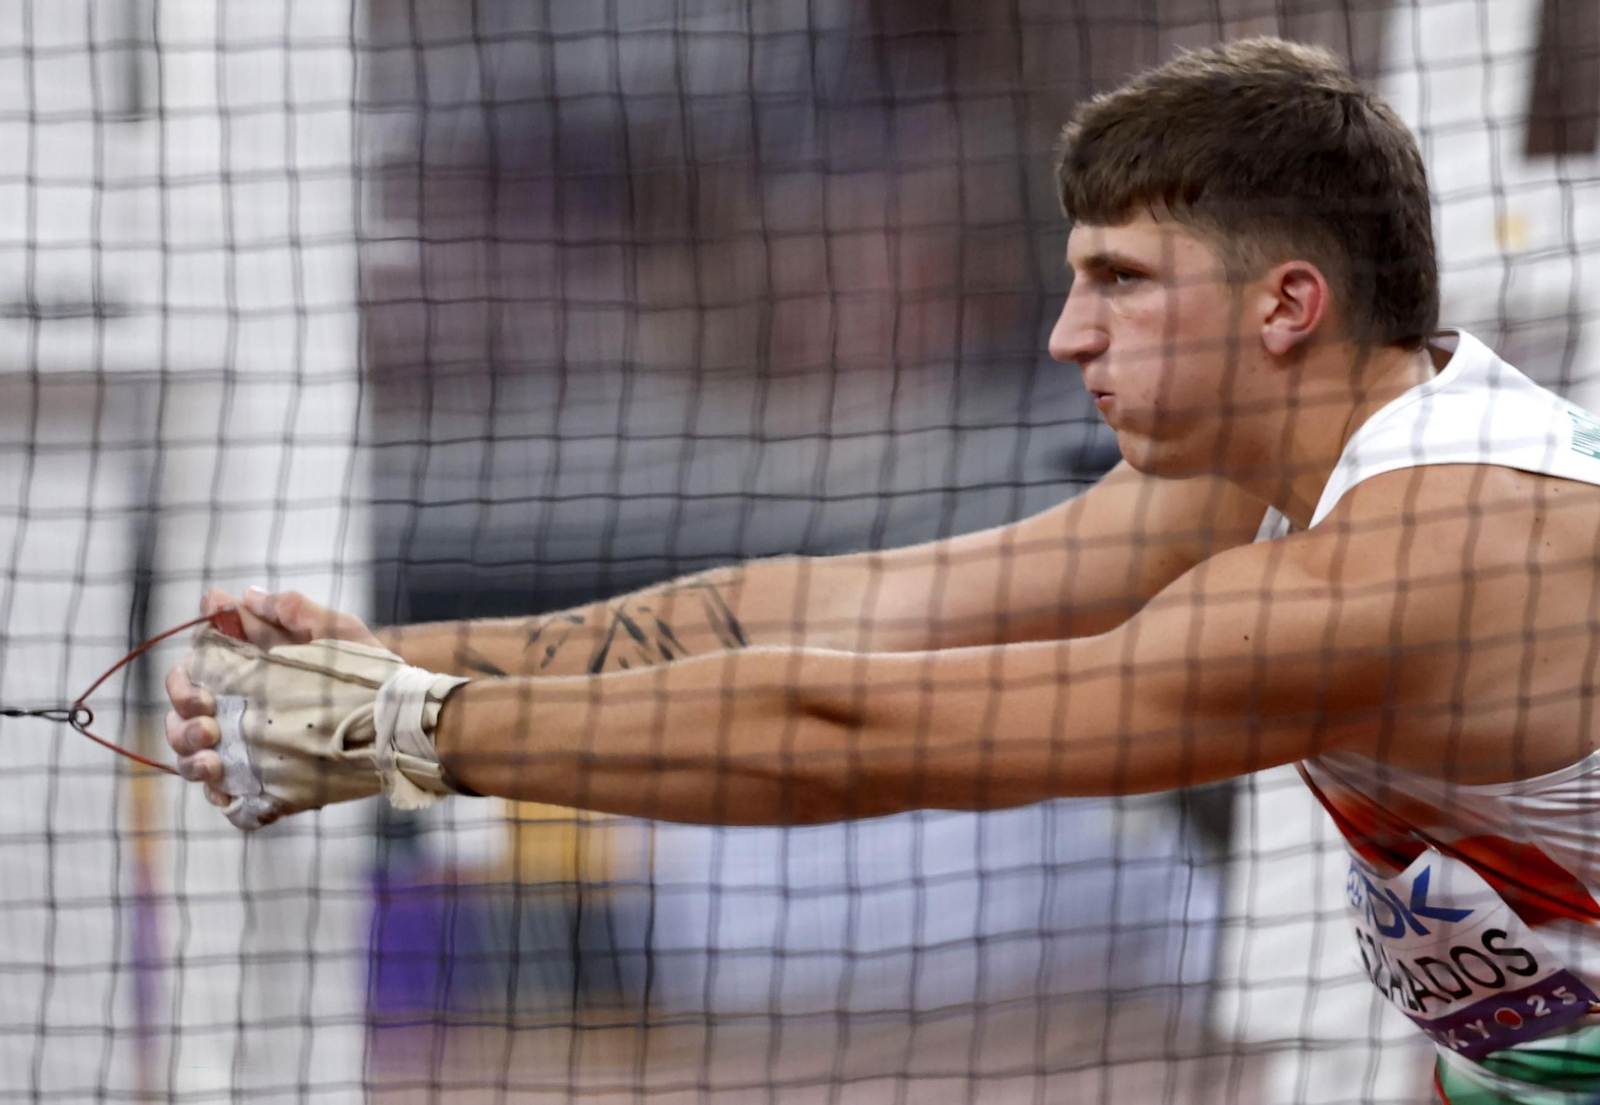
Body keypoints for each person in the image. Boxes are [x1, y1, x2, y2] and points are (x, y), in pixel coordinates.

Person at [162, 37, 1600, 1104]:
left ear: (1290, 303)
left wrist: (402, 729)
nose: (1065, 336)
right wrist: (396, 655)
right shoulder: (1270, 474)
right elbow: (848, 610)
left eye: (1120, 280)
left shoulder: (1412, 564)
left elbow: (851, 735)